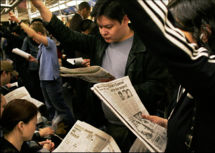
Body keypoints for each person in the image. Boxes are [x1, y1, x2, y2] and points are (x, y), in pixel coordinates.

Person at [30, 0, 175, 151]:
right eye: (100, 26)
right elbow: (69, 36)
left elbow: (159, 86)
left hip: (132, 128)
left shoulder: (146, 46)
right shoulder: (100, 43)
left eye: (108, 27)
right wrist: (41, 7)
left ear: (125, 19)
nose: (103, 32)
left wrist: (120, 90)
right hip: (103, 122)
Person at [117, 0, 215, 152]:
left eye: (175, 31)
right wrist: (171, 123)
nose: (173, 39)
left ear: (204, 33)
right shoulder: (193, 77)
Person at [9, 12, 75, 135]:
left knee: (60, 106)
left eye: (34, 37)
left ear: (39, 34)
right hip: (44, 79)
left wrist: (19, 21)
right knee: (50, 105)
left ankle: (72, 126)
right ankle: (55, 127)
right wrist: (34, 60)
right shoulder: (42, 47)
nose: (33, 39)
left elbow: (33, 34)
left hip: (51, 80)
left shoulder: (49, 42)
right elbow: (45, 60)